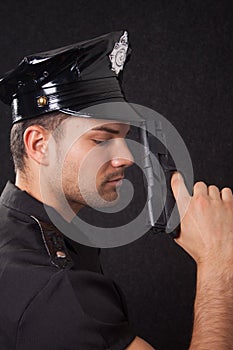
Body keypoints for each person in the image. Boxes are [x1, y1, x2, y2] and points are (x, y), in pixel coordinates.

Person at [0, 30, 232, 350]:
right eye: (101, 139)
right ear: (40, 145)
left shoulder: (19, 233)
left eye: (123, 136)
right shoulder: (54, 289)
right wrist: (219, 263)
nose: (125, 157)